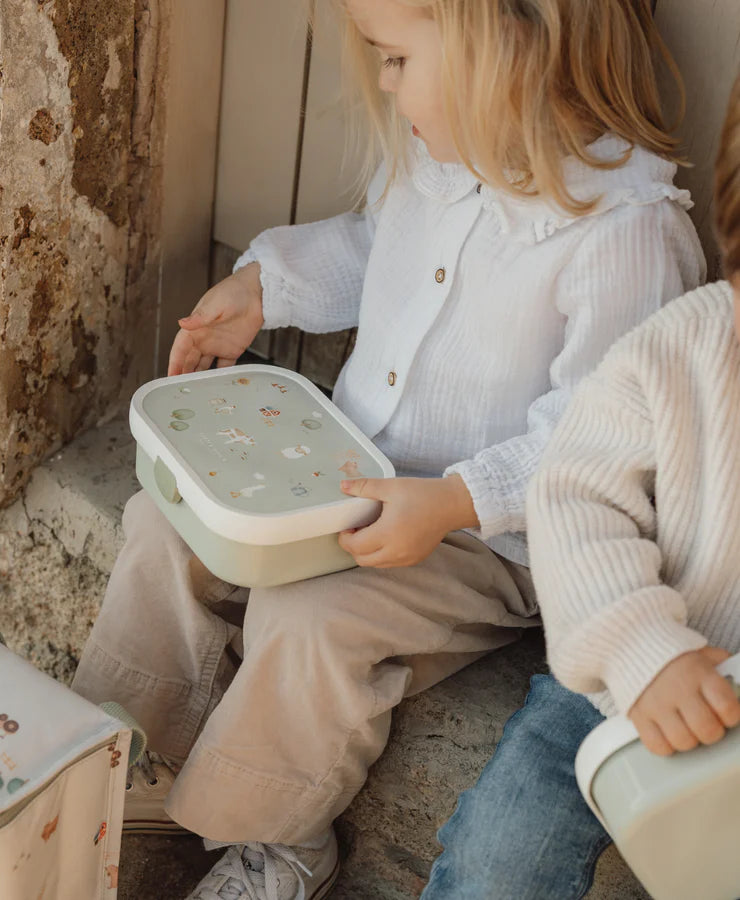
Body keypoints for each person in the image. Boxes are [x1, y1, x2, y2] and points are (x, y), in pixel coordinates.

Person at [72, 1, 705, 897]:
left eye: (398, 58)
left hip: (482, 537)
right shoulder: (437, 158)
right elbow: (373, 249)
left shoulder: (623, 230)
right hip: (351, 466)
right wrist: (266, 287)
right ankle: (129, 754)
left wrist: (454, 501)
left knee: (312, 621)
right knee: (162, 527)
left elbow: (597, 438)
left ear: (512, 44)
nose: (384, 80)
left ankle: (279, 838)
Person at [421, 68, 740, 900]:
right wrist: (639, 651)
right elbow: (577, 502)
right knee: (501, 861)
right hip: (633, 683)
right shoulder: (685, 350)